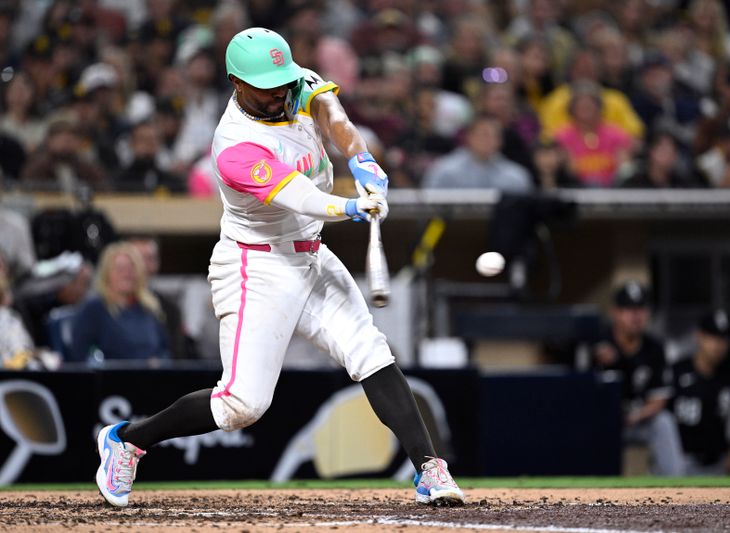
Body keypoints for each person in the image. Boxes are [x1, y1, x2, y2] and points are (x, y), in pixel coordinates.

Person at [94, 27, 464, 509]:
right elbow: (301, 198)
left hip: (310, 255)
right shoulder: (235, 147)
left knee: (370, 351)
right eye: (265, 85)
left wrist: (363, 161)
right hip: (257, 266)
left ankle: (430, 470)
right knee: (240, 406)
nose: (278, 93)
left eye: (281, 81)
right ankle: (127, 440)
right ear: (235, 82)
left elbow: (334, 117)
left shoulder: (294, 83)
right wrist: (351, 208)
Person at [584, 281, 684, 475]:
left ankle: (673, 486)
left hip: (638, 419)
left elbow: (659, 399)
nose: (635, 316)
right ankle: (591, 485)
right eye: (629, 309)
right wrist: (595, 361)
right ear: (615, 312)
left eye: (640, 309)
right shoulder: (598, 343)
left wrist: (636, 416)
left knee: (664, 422)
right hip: (603, 422)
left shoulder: (654, 349)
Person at [669, 310, 730, 474]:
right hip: (679, 462)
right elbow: (661, 414)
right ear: (699, 336)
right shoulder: (677, 372)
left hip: (717, 463)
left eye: (723, 339)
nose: (717, 345)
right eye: (712, 337)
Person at [70, 242, 170, 364]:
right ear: (107, 274)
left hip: (151, 378)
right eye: (120, 268)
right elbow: (80, 355)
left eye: (131, 268)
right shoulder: (94, 309)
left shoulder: (149, 307)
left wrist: (159, 363)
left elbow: (164, 350)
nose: (126, 273)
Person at [421, 114, 533, 193]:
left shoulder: (515, 176)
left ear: (500, 141)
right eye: (484, 134)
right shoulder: (444, 171)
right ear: (469, 137)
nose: (488, 140)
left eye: (495, 135)